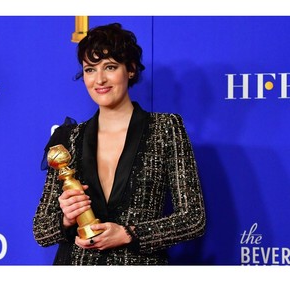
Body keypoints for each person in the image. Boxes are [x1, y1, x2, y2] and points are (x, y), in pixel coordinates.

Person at [33, 22, 206, 265]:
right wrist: (66, 218)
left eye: (110, 67)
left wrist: (128, 234)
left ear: (131, 70)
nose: (99, 79)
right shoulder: (68, 138)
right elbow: (41, 229)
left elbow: (193, 218)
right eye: (90, 70)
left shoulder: (165, 128)